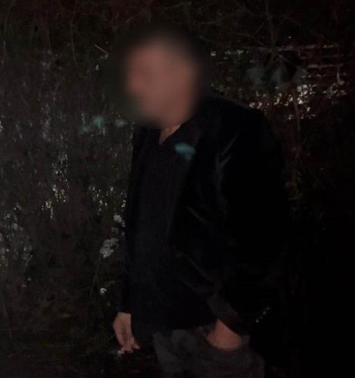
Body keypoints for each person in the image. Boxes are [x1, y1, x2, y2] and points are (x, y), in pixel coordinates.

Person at [110, 24, 288, 377]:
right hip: (164, 324)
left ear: (183, 73)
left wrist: (231, 325)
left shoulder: (235, 128)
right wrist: (130, 304)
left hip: (213, 326)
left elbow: (264, 237)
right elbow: (141, 223)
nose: (132, 85)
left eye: (144, 73)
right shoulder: (147, 131)